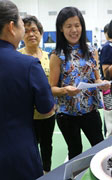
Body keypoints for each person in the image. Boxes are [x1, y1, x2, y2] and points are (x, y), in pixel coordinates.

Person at [0, 1, 55, 180]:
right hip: (17, 152)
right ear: (11, 27)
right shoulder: (28, 64)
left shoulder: (46, 57)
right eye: (24, 26)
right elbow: (46, 108)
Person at [49, 6, 110, 160]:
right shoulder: (57, 55)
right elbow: (51, 88)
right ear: (61, 29)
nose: (74, 30)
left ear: (82, 27)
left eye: (77, 25)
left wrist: (101, 83)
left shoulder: (91, 51)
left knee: (100, 147)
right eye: (68, 26)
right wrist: (65, 90)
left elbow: (96, 77)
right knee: (75, 151)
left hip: (90, 110)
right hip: (67, 114)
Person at [19, 15, 55, 174]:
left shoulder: (49, 57)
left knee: (47, 145)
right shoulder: (17, 56)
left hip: (48, 114)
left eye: (34, 30)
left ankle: (47, 172)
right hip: (26, 115)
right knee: (29, 146)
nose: (31, 34)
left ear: (41, 33)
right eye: (26, 31)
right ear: (21, 35)